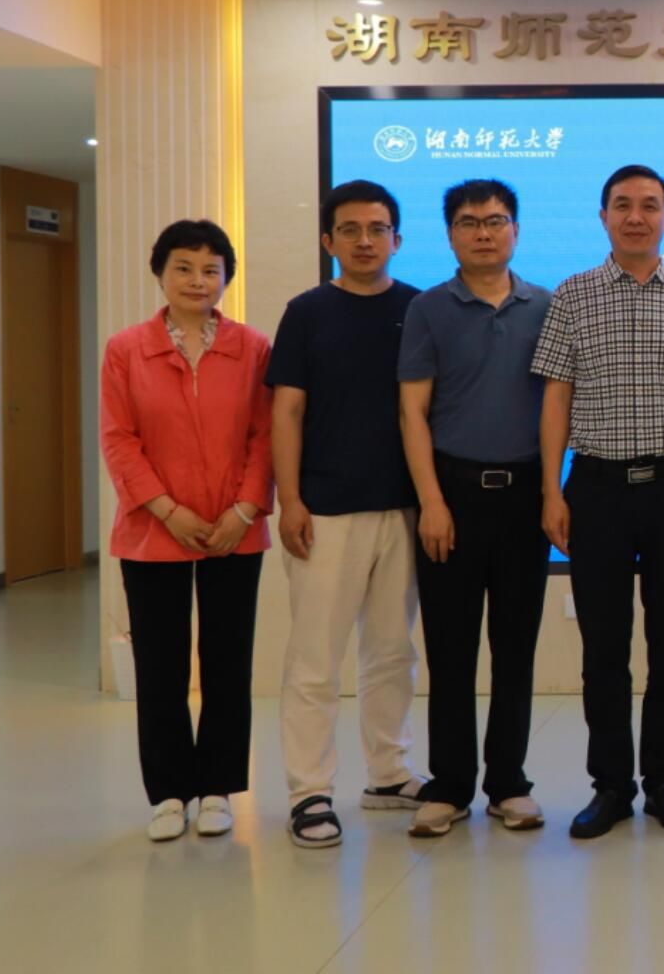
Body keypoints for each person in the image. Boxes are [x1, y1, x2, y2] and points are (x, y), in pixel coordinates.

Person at [533, 165, 664, 840]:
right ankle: (611, 786)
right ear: (603, 216)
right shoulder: (573, 294)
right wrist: (551, 489)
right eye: (623, 205)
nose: (636, 217)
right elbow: (556, 396)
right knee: (604, 648)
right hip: (596, 489)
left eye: (650, 206)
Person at [101, 219, 273, 842]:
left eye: (210, 270)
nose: (198, 280)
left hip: (234, 530)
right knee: (161, 667)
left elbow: (265, 435)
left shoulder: (253, 348)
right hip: (153, 530)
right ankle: (169, 792)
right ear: (160, 273)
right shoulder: (126, 349)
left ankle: (219, 787)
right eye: (184, 268)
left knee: (228, 662)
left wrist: (244, 510)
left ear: (226, 278)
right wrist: (168, 510)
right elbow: (119, 440)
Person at [270, 180, 425, 848]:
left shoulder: (419, 308)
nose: (366, 241)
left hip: (404, 509)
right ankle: (309, 792)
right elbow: (286, 411)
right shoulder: (307, 312)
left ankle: (388, 774)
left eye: (378, 229)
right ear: (328, 240)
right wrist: (290, 500)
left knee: (392, 651)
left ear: (397, 238)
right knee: (315, 659)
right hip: (325, 510)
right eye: (352, 229)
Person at [398, 179, 552, 838]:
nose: (483, 232)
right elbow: (412, 411)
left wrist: (554, 493)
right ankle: (451, 784)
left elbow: (559, 408)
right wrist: (431, 502)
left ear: (516, 229)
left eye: (495, 220)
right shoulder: (429, 309)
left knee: (515, 648)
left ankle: (509, 783)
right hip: (452, 496)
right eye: (468, 222)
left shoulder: (546, 306)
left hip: (526, 495)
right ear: (450, 234)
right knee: (450, 648)